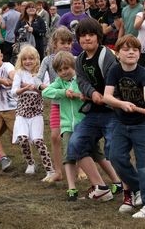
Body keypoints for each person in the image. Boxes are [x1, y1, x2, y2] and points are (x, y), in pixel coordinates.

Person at [103, 34, 145, 218]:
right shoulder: (114, 71)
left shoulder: (144, 73)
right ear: (118, 54)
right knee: (115, 157)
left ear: (139, 53)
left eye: (135, 49)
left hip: (143, 125)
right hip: (121, 122)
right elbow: (107, 96)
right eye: (126, 49)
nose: (131, 52)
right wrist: (121, 104)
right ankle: (138, 188)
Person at [67, 18, 122, 202]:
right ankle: (100, 188)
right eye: (82, 36)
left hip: (112, 112)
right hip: (93, 113)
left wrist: (104, 95)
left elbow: (115, 79)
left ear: (98, 37)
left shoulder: (106, 56)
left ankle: (131, 187)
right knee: (75, 144)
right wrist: (91, 92)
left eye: (91, 35)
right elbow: (81, 81)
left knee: (113, 149)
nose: (86, 39)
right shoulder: (80, 60)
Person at [42, 50, 87, 199]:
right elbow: (46, 92)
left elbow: (85, 94)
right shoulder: (59, 82)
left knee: (89, 153)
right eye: (60, 70)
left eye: (66, 68)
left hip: (84, 123)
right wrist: (63, 92)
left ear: (73, 67)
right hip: (67, 124)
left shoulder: (80, 79)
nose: (63, 72)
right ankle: (71, 187)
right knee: (68, 154)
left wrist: (75, 93)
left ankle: (102, 183)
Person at [11, 45, 55, 181]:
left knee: (38, 140)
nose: (28, 61)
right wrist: (25, 88)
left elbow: (47, 90)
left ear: (36, 59)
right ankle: (30, 162)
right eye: (25, 59)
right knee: (23, 138)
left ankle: (50, 169)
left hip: (36, 112)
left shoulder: (41, 73)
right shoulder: (19, 73)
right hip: (21, 112)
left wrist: (34, 87)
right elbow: (14, 92)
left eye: (31, 58)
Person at [37, 26, 73, 182]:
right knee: (55, 137)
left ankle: (78, 170)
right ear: (54, 44)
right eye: (63, 42)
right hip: (56, 104)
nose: (66, 46)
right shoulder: (48, 60)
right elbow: (38, 78)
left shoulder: (75, 59)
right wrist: (46, 88)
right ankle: (58, 171)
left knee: (74, 137)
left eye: (69, 42)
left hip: (73, 105)